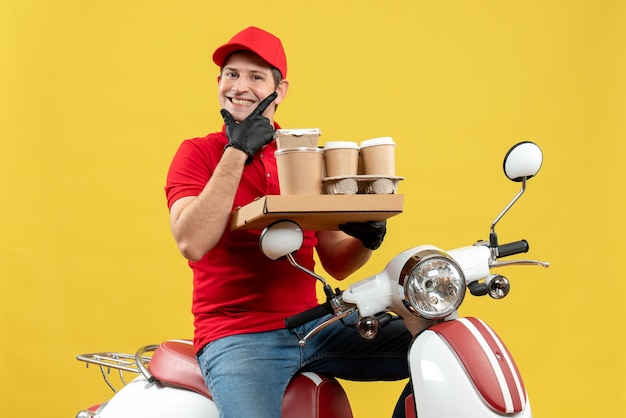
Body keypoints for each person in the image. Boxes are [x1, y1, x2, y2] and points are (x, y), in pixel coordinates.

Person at [165, 26, 412, 418]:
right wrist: (237, 150)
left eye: (256, 76)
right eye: (232, 74)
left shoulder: (306, 157)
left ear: (279, 91)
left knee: (437, 344)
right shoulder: (197, 154)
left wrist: (366, 237)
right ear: (218, 83)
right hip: (237, 337)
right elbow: (192, 241)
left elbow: (335, 260)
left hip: (315, 327)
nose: (240, 86)